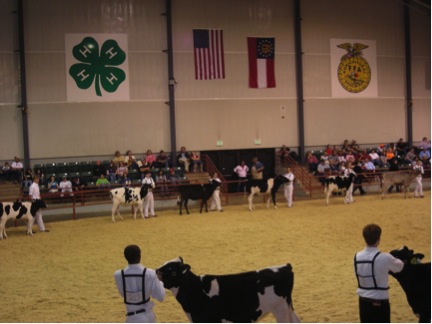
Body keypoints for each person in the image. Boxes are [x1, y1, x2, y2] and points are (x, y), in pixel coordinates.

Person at [354, 224, 404, 323]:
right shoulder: (385, 257)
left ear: (364, 238)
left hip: (363, 302)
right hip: (380, 302)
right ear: (379, 239)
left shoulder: (357, 256)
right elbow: (400, 266)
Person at [114, 245, 165, 323]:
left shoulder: (118, 275)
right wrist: (159, 281)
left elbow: (123, 294)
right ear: (140, 256)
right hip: (150, 316)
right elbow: (161, 297)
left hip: (133, 317)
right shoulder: (150, 273)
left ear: (125, 257)